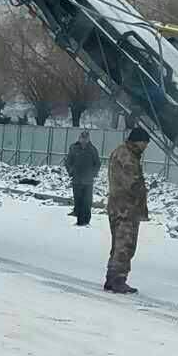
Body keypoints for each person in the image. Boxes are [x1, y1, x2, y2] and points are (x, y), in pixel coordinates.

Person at [105, 126, 150, 294]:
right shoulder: (127, 156)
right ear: (137, 141)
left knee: (118, 245)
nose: (145, 147)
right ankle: (118, 280)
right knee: (125, 245)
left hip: (119, 206)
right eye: (144, 143)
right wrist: (143, 190)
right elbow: (132, 183)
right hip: (126, 208)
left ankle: (112, 279)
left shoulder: (122, 153)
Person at [64, 129, 101, 226]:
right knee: (78, 200)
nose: (84, 140)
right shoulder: (73, 148)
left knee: (87, 201)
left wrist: (93, 173)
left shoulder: (92, 149)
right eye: (82, 138)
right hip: (77, 179)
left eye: (86, 138)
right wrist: (71, 171)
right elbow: (68, 161)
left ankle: (87, 220)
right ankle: (80, 220)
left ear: (88, 139)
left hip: (88, 181)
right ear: (79, 138)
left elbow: (97, 163)